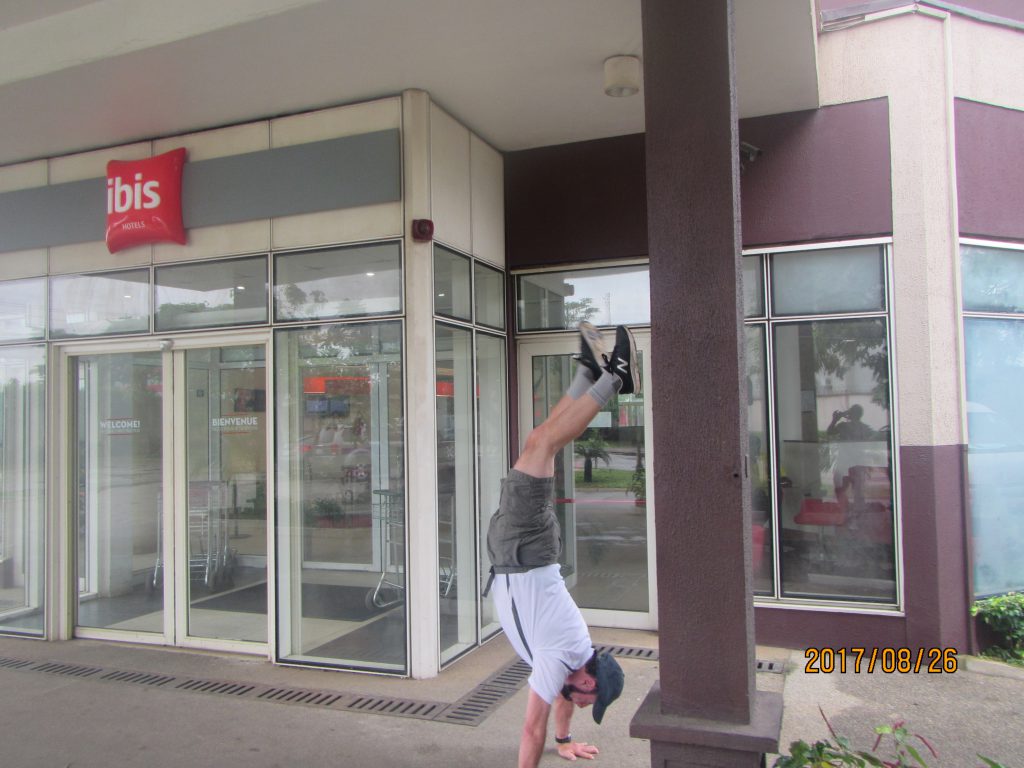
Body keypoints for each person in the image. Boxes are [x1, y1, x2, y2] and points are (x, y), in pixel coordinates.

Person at [486, 321, 638, 767]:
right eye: (595, 701)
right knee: (543, 445)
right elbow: (530, 730)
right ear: (588, 681)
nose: (590, 705)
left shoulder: (575, 659)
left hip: (526, 551)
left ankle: (588, 376)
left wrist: (565, 740)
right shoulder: (561, 658)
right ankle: (614, 380)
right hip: (523, 549)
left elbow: (563, 698)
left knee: (539, 442)